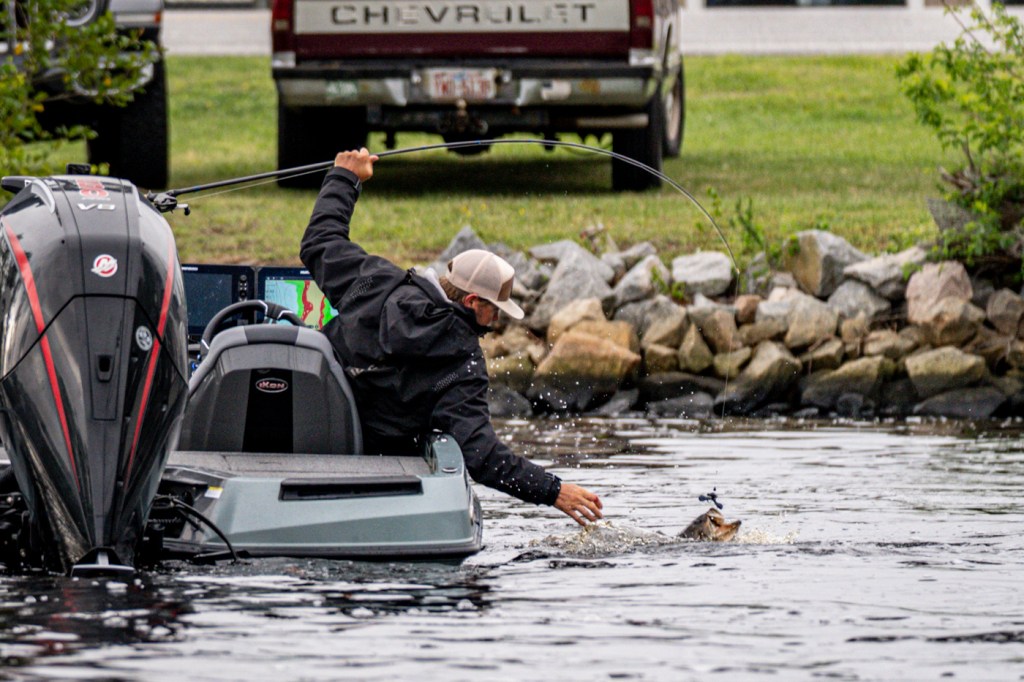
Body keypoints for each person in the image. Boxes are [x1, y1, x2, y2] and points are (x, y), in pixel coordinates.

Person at [300, 148, 603, 526]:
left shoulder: (377, 282)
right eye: (495, 310)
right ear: (473, 301)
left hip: (306, 434)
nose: (496, 321)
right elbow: (482, 457)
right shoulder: (462, 365)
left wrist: (345, 178)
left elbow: (319, 241)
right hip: (373, 467)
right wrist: (554, 490)